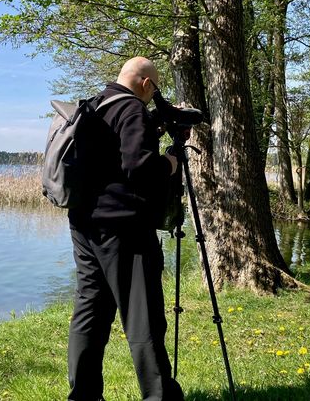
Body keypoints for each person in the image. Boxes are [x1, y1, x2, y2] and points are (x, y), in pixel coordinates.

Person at [66, 56, 185, 401]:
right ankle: (158, 396)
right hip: (124, 230)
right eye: (154, 90)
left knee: (90, 312)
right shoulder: (132, 110)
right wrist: (171, 161)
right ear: (146, 83)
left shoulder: (96, 104)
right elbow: (140, 169)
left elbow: (111, 159)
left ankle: (83, 396)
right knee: (143, 318)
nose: (153, 97)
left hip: (84, 225)